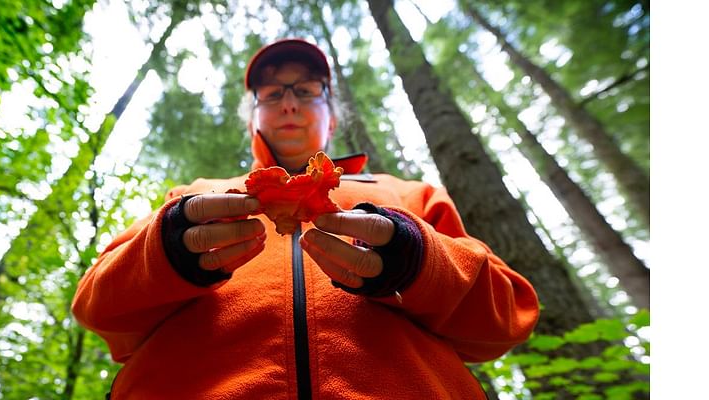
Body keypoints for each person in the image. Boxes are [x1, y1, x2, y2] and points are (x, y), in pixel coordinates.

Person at [72, 38, 539, 399]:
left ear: (331, 117)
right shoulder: (196, 196)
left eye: (307, 90)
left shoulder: (408, 194)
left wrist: (418, 261)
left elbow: (506, 320)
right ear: (253, 117)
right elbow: (98, 307)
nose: (289, 103)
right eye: (272, 93)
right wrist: (166, 252)